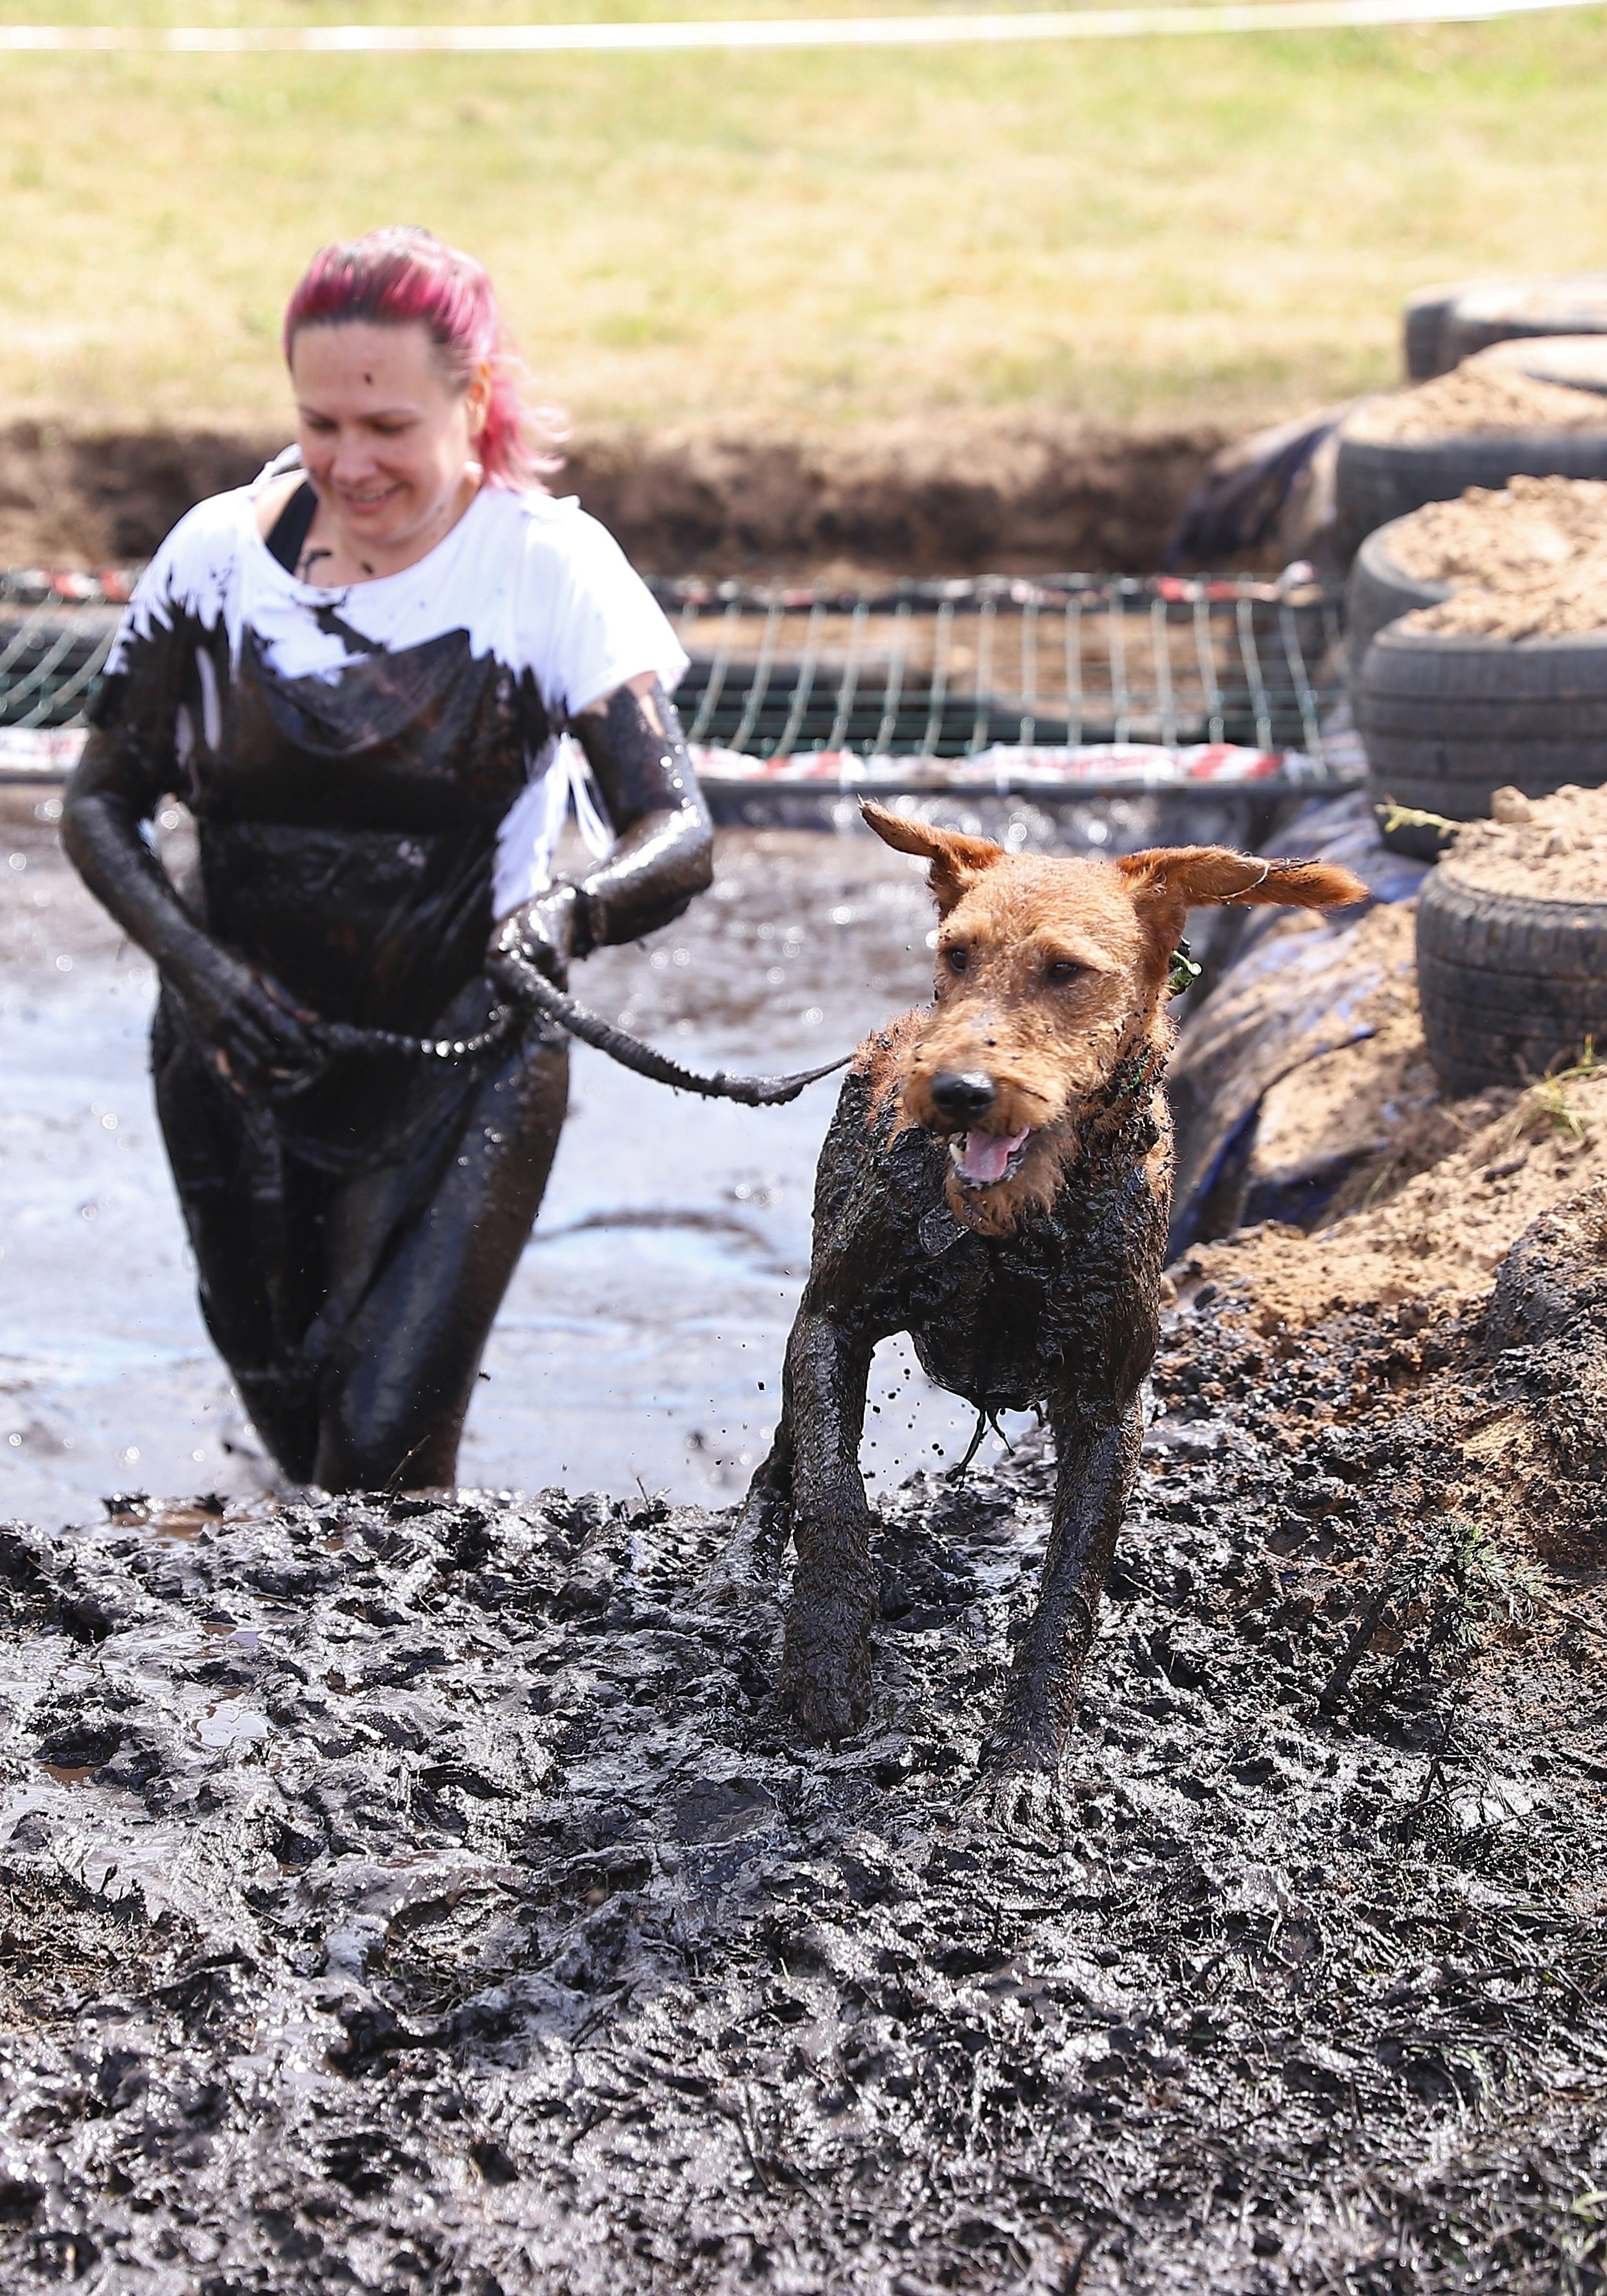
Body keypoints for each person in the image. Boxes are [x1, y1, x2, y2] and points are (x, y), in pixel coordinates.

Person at [63, 227, 713, 1493]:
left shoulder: (547, 568)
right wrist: (201, 975)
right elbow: (98, 806)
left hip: (466, 1066)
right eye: (320, 424)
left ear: (474, 399)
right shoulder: (215, 559)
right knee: (300, 1431)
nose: (350, 462)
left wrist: (569, 916)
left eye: (388, 427)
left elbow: (676, 832)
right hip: (232, 1062)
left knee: (379, 1459)